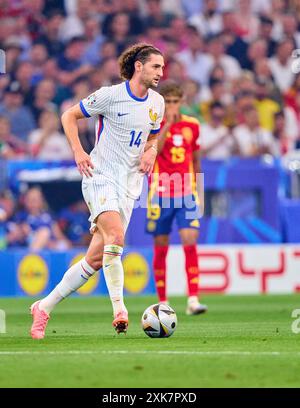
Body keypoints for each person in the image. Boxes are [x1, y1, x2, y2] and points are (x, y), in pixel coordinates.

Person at [30, 43, 165, 339]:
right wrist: (79, 151)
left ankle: (43, 307)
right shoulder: (109, 96)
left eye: (163, 67)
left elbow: (153, 137)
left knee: (94, 259)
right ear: (138, 66)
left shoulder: (157, 103)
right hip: (100, 175)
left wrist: (151, 152)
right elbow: (68, 116)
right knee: (116, 237)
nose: (161, 72)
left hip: (130, 184)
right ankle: (120, 309)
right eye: (156, 66)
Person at [146, 82, 207, 315]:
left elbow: (196, 161)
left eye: (175, 101)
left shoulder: (193, 125)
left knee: (189, 239)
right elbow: (154, 153)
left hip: (187, 193)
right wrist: (168, 125)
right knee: (161, 246)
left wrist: (198, 193)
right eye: (167, 101)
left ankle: (193, 299)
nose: (171, 105)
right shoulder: (154, 126)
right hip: (160, 194)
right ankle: (163, 300)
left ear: (182, 102)